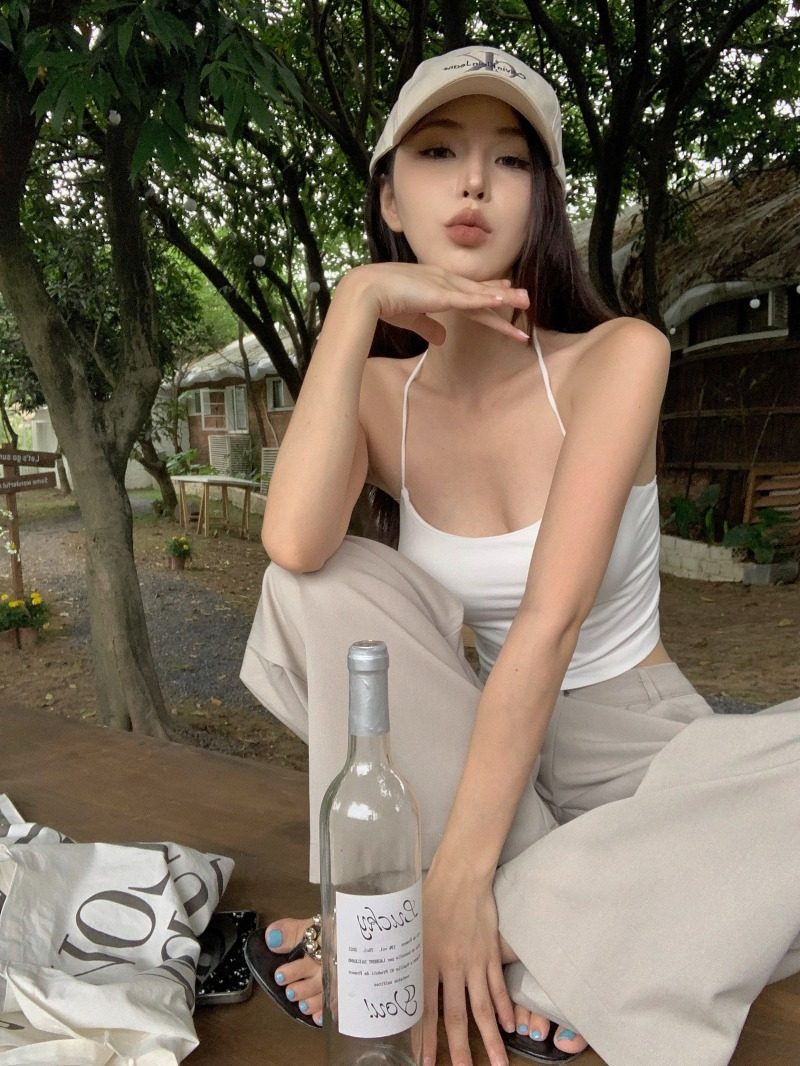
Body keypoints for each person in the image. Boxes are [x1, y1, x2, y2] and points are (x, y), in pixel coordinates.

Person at [241, 45, 800, 1066]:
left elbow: (549, 623)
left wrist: (456, 882)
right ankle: (574, 931)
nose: (473, 182)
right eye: (438, 151)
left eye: (510, 160)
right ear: (390, 197)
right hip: (461, 739)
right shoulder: (378, 395)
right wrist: (356, 299)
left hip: (633, 747)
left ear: (540, 200)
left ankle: (443, 921)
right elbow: (290, 543)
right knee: (310, 580)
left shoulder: (619, 356)